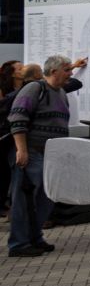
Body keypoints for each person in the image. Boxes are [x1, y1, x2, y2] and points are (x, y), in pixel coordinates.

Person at [6, 55, 78, 257]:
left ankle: (35, 238)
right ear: (54, 71)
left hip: (52, 156)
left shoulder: (61, 93)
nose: (71, 73)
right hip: (32, 153)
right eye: (67, 69)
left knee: (46, 199)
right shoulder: (34, 89)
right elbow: (17, 118)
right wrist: (22, 150)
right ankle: (19, 244)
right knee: (24, 200)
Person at [0, 60, 24, 217]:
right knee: (3, 171)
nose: (23, 70)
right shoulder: (5, 89)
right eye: (20, 68)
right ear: (13, 72)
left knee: (9, 171)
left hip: (13, 134)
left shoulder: (25, 87)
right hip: (4, 134)